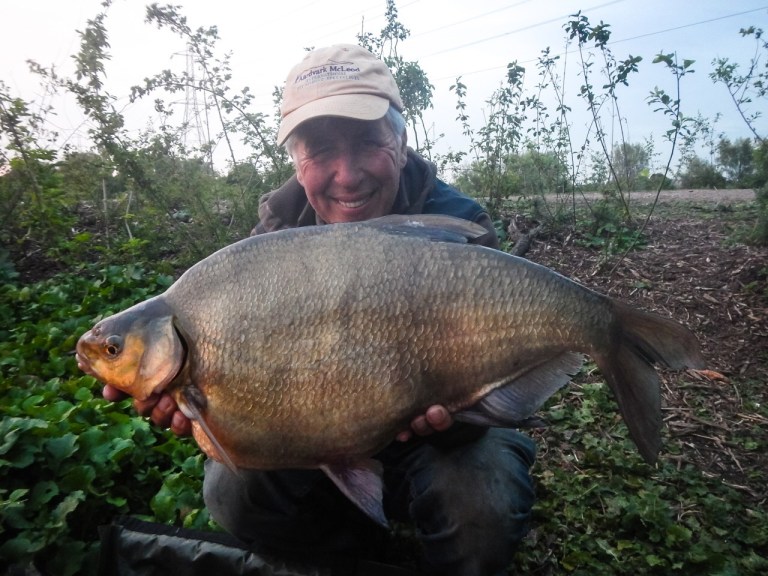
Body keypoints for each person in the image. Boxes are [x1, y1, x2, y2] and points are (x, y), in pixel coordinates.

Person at [104, 44, 536, 576]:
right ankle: (354, 544)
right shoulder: (271, 243)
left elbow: (498, 391)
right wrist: (208, 414)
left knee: (483, 511)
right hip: (317, 426)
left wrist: (455, 416)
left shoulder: (458, 227)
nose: (347, 175)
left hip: (439, 435)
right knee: (231, 492)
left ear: (401, 144)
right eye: (321, 150)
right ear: (296, 161)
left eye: (368, 143)